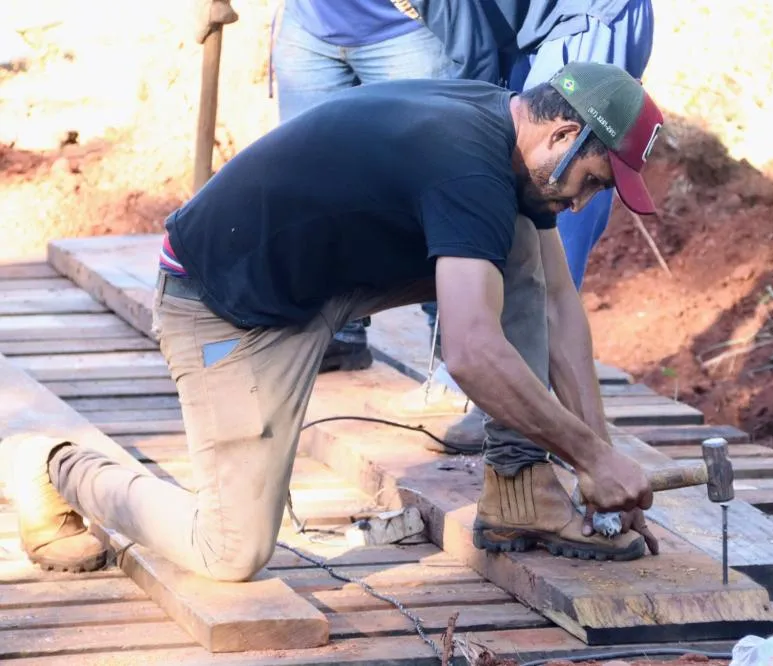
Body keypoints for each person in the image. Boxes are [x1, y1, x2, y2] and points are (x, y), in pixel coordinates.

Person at [2, 62, 664, 580]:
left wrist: (601, 467)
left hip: (323, 280)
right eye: (594, 181)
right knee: (229, 551)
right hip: (225, 305)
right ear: (562, 135)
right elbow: (469, 352)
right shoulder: (467, 165)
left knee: (525, 247)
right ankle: (52, 465)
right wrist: (591, 457)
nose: (584, 204)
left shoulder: (513, 144)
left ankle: (521, 487)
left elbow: (555, 305)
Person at [388, 0, 658, 453]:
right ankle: (501, 395)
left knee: (551, 185)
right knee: (529, 165)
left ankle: (518, 410)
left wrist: (596, 453)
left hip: (581, 14)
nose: (582, 205)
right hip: (528, 27)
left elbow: (469, 48)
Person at [195, 0, 468, 373]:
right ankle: (339, 334)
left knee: (432, 191)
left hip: (407, 27)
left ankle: (457, 351)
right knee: (311, 192)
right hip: (310, 27)